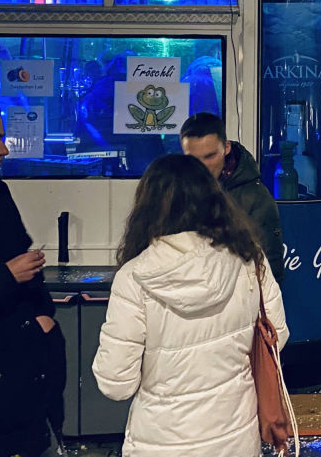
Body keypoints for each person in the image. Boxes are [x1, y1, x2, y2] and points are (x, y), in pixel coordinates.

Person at [93, 154, 287, 456]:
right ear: (214, 199)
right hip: (235, 440)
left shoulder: (134, 278)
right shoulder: (249, 259)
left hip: (160, 443)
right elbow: (278, 337)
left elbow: (116, 383)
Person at [0, 97, 66, 457]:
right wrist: (5, 275)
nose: (4, 149)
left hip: (21, 374)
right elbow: (11, 271)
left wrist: (44, 314)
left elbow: (24, 262)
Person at [180, 112, 285, 284]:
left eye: (210, 156)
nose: (202, 167)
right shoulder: (176, 190)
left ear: (226, 148)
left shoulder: (255, 197)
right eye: (193, 159)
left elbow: (270, 271)